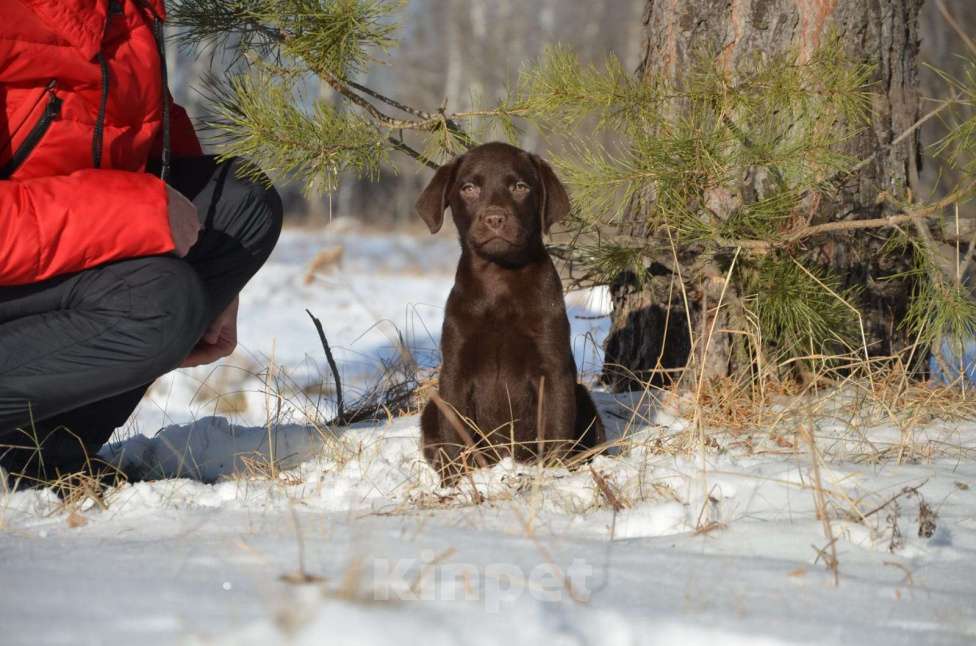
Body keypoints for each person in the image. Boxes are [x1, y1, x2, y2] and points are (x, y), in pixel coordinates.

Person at [0, 0, 282, 486]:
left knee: (242, 202)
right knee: (159, 301)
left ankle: (47, 453)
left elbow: (146, 127)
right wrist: (140, 211)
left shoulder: (128, 11)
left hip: (46, 254)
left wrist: (213, 262)